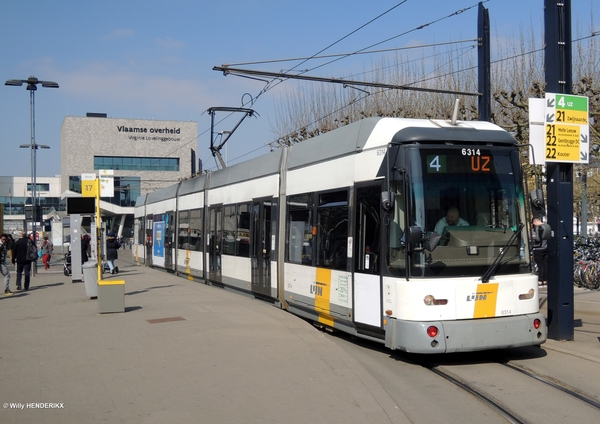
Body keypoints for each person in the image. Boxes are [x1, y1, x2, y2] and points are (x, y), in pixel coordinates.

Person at [531, 216, 548, 287]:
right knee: (545, 264)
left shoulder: (538, 228)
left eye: (533, 224)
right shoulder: (547, 226)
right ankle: (545, 279)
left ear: (535, 222)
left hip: (539, 249)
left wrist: (533, 237)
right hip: (546, 247)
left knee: (540, 265)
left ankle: (540, 280)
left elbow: (538, 239)